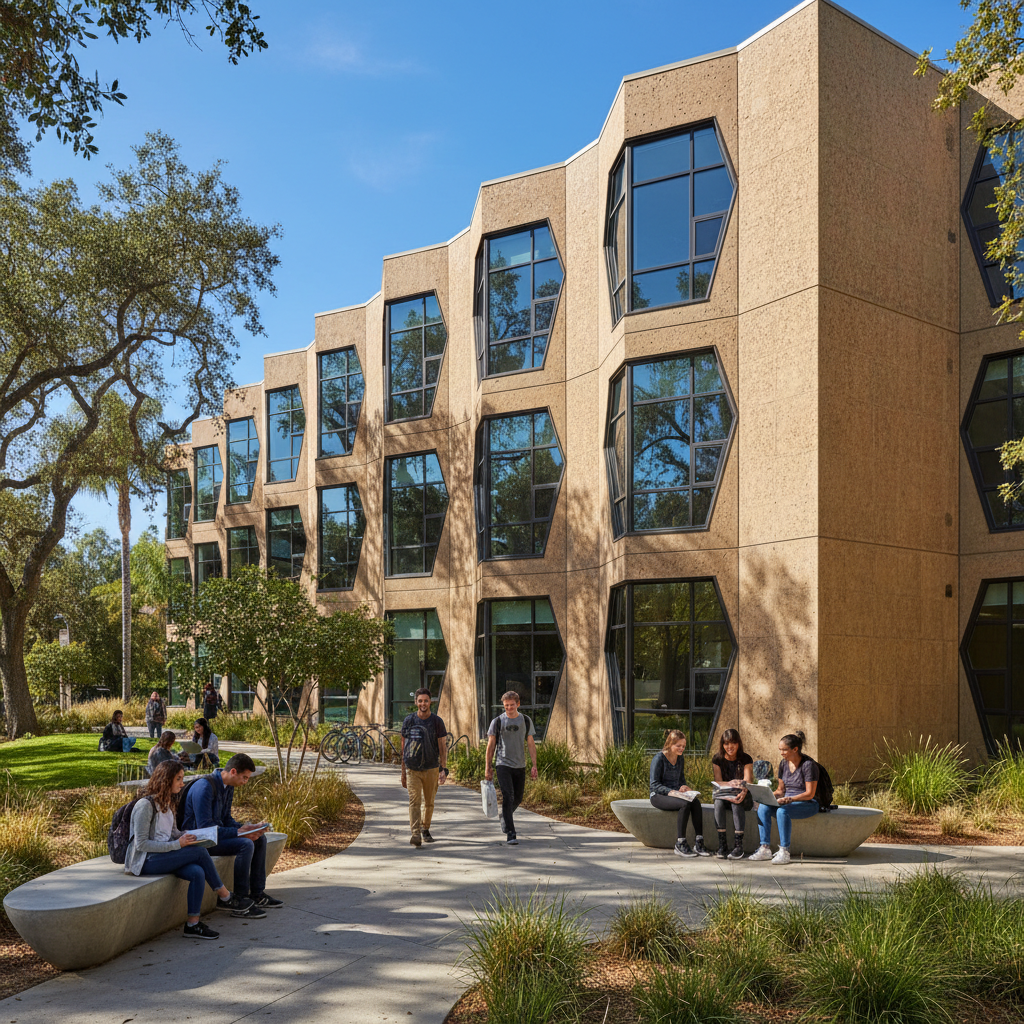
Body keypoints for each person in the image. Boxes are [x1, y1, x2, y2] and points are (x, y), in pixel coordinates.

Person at [124, 760, 255, 939]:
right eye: (178, 779)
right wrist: (178, 845)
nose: (182, 784)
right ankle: (225, 896)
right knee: (199, 853)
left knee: (197, 871)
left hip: (165, 855)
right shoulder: (144, 806)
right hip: (146, 860)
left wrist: (190, 836)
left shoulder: (167, 804)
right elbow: (141, 844)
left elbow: (173, 833)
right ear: (166, 779)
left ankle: (192, 924)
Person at [182, 752, 282, 913]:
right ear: (233, 772)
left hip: (215, 837)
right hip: (200, 841)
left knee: (259, 839)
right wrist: (239, 833)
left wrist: (248, 828)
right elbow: (205, 828)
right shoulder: (205, 787)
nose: (245, 782)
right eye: (245, 777)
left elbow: (227, 819)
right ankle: (239, 900)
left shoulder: (228, 787)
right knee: (245, 844)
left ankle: (257, 894)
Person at [749, 730, 819, 865]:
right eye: (780, 749)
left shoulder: (808, 765)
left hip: (808, 803)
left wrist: (790, 799)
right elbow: (781, 790)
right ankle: (765, 848)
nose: (781, 753)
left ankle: (784, 851)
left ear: (795, 749)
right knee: (763, 807)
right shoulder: (783, 764)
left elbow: (810, 793)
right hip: (786, 801)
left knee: (782, 811)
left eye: (784, 750)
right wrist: (764, 796)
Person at [484, 691, 538, 846]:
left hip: (520, 765)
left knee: (518, 798)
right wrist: (488, 767)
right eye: (506, 705)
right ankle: (511, 833)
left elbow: (530, 744)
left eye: (512, 705)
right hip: (503, 764)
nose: (509, 708)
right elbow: (491, 745)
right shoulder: (497, 722)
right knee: (508, 795)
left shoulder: (526, 721)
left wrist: (534, 765)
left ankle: (505, 817)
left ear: (518, 704)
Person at [649, 729, 711, 858]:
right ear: (670, 744)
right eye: (678, 746)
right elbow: (654, 785)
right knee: (684, 805)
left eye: (683, 746)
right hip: (658, 796)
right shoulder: (659, 758)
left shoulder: (680, 758)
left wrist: (683, 787)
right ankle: (680, 843)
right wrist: (670, 791)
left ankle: (699, 842)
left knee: (695, 802)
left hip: (675, 794)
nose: (681, 749)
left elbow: (680, 780)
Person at [400, 688, 448, 847]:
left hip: (432, 768)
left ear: (430, 702)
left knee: (429, 802)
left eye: (425, 701)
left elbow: (442, 746)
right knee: (414, 801)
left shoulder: (437, 721)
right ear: (416, 703)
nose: (423, 704)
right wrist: (403, 772)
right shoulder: (409, 721)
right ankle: (415, 834)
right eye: (420, 701)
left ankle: (425, 828)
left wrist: (443, 768)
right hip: (412, 768)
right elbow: (403, 747)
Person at [711, 728, 754, 860]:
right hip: (725, 793)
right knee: (718, 802)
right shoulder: (717, 759)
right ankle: (722, 845)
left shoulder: (746, 758)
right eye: (726, 743)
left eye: (733, 743)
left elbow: (748, 780)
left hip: (742, 794)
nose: (730, 747)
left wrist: (742, 787)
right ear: (722, 745)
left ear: (738, 743)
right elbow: (718, 781)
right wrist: (730, 783)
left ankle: (738, 846)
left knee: (736, 800)